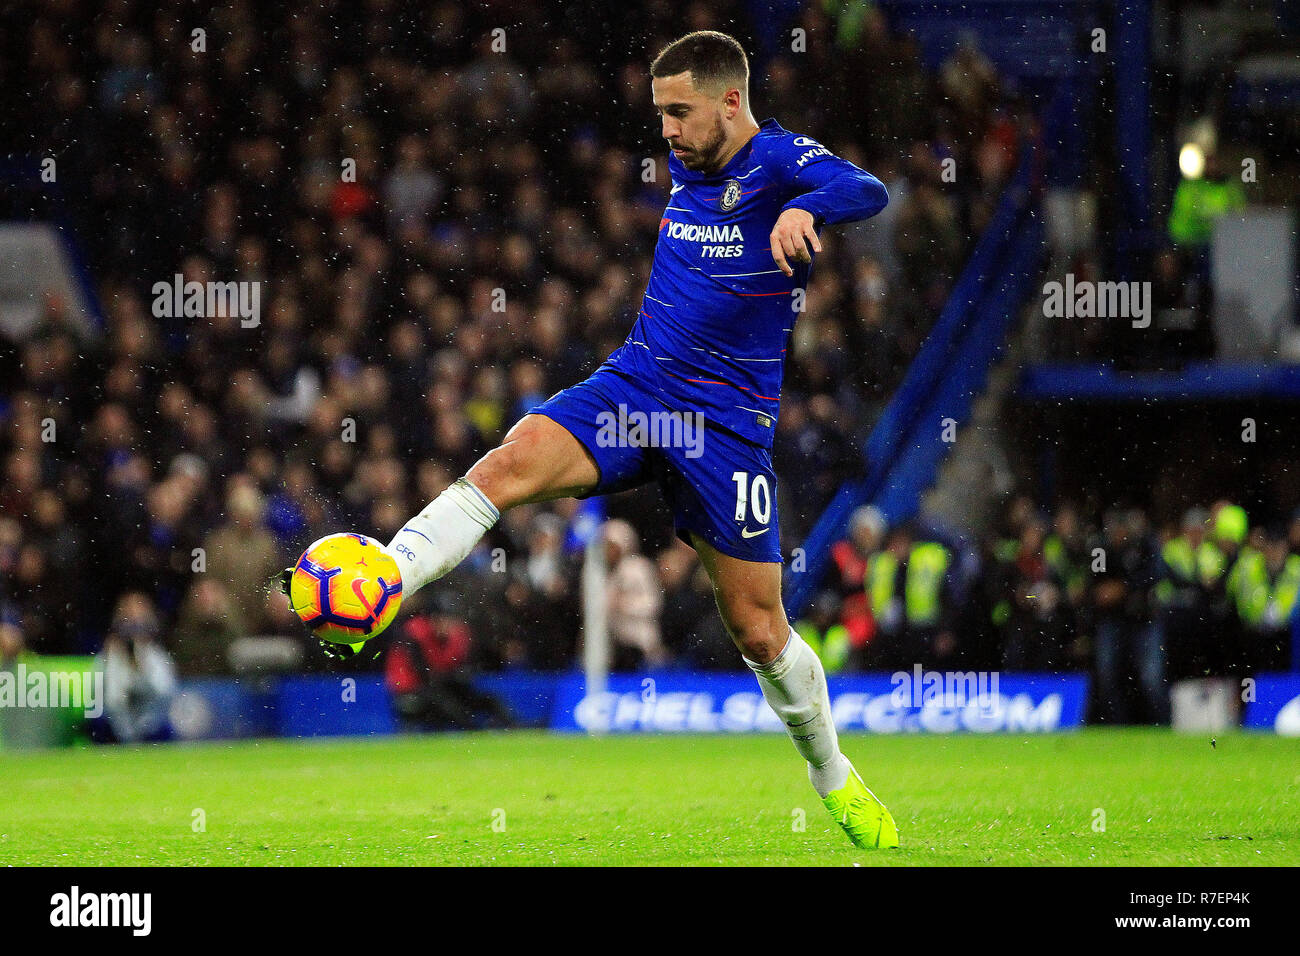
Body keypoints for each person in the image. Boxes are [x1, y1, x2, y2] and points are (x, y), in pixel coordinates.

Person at [320, 32, 897, 848]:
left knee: (761, 632)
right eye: (658, 112)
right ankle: (387, 571)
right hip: (637, 389)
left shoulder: (778, 163)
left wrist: (807, 207)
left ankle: (833, 777)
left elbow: (865, 187)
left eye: (678, 112)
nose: (664, 130)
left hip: (727, 430)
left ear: (731, 101)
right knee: (508, 461)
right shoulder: (689, 164)